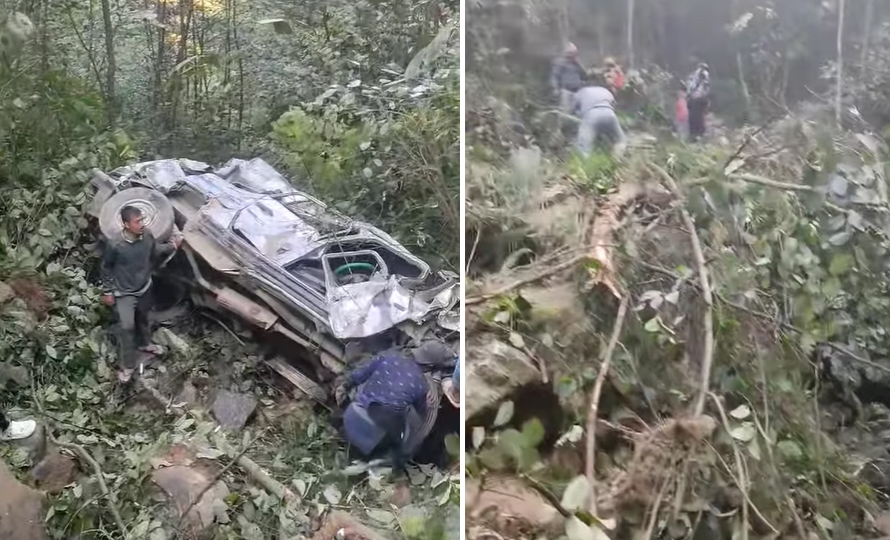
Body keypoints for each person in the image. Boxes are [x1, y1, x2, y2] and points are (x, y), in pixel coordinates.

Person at [100, 206, 181, 383]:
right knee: (127, 328)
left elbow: (154, 250)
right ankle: (128, 366)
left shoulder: (147, 235)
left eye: (142, 219)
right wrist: (107, 291)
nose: (142, 224)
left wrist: (172, 246)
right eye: (137, 222)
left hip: (144, 287)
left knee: (144, 318)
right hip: (124, 293)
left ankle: (145, 344)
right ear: (126, 224)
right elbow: (106, 268)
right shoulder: (116, 245)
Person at [335, 354, 429, 471]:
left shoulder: (387, 357)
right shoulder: (422, 382)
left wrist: (344, 387)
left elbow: (357, 376)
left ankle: (348, 452)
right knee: (407, 434)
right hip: (378, 436)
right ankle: (390, 467)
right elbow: (422, 413)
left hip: (352, 416)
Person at [572, 85, 627, 157]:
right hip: (610, 114)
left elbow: (573, 108)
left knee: (584, 145)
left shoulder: (581, 92)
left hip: (592, 115)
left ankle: (583, 161)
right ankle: (616, 159)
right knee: (620, 139)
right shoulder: (606, 91)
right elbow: (614, 105)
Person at [550, 42, 586, 113]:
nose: (574, 55)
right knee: (567, 111)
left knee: (580, 110)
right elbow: (555, 76)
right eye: (572, 53)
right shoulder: (560, 62)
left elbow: (584, 74)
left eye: (575, 53)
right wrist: (555, 88)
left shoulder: (577, 63)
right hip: (566, 91)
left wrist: (578, 63)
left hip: (578, 90)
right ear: (567, 53)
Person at [685, 61, 710, 140]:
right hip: (698, 98)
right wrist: (698, 94)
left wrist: (689, 95)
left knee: (694, 116)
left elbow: (689, 86)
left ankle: (694, 133)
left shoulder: (692, 75)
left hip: (693, 98)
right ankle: (698, 133)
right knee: (698, 116)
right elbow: (703, 85)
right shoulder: (703, 74)